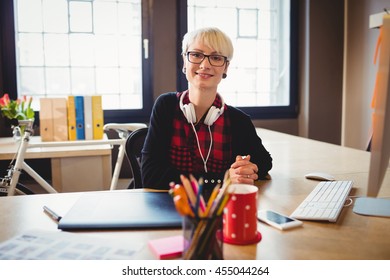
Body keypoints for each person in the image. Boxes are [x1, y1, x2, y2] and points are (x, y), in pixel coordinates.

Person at [141, 27, 272, 194]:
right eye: (196, 55)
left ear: (225, 67)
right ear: (185, 60)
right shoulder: (166, 106)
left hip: (217, 210)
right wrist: (223, 178)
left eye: (216, 58)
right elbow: (151, 176)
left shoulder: (238, 120)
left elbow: (264, 161)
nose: (204, 65)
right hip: (168, 206)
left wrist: (247, 170)